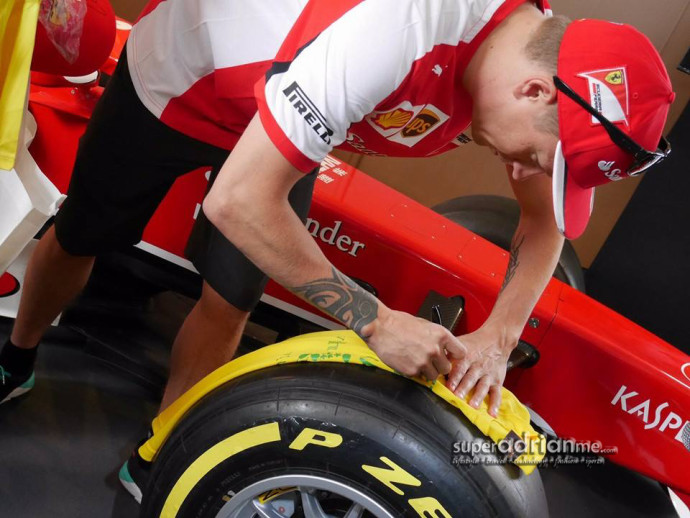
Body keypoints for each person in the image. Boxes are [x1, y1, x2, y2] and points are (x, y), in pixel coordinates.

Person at [0, 0, 673, 502]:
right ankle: (18, 356)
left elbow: (544, 218)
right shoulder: (398, 29)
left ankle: (163, 450)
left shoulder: (531, 53)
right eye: (535, 157)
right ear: (533, 92)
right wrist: (376, 321)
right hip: (187, 83)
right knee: (86, 230)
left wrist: (498, 336)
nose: (525, 171)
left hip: (288, 115)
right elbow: (239, 202)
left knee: (234, 294)